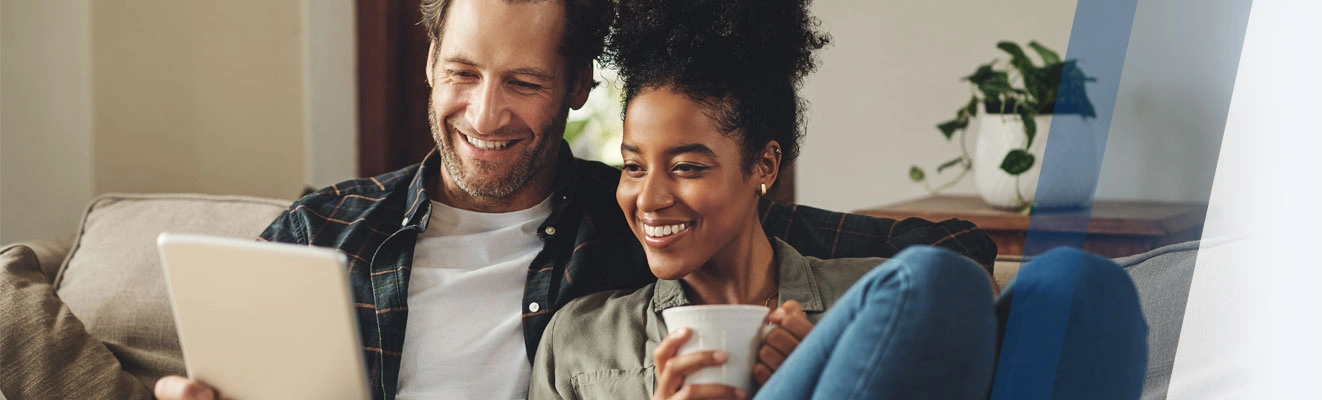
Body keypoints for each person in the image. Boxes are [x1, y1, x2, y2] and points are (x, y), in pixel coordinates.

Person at [153, 0, 997, 399]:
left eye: (522, 83)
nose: (485, 115)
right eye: (463, 74)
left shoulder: (637, 216)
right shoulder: (323, 231)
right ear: (428, 59)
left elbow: (947, 261)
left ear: (576, 88)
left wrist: (821, 345)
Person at [528, 0, 1148, 399]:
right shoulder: (579, 340)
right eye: (632, 166)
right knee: (932, 281)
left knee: (1081, 287)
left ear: (764, 166)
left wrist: (829, 367)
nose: (649, 197)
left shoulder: (867, 300)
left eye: (687, 166)